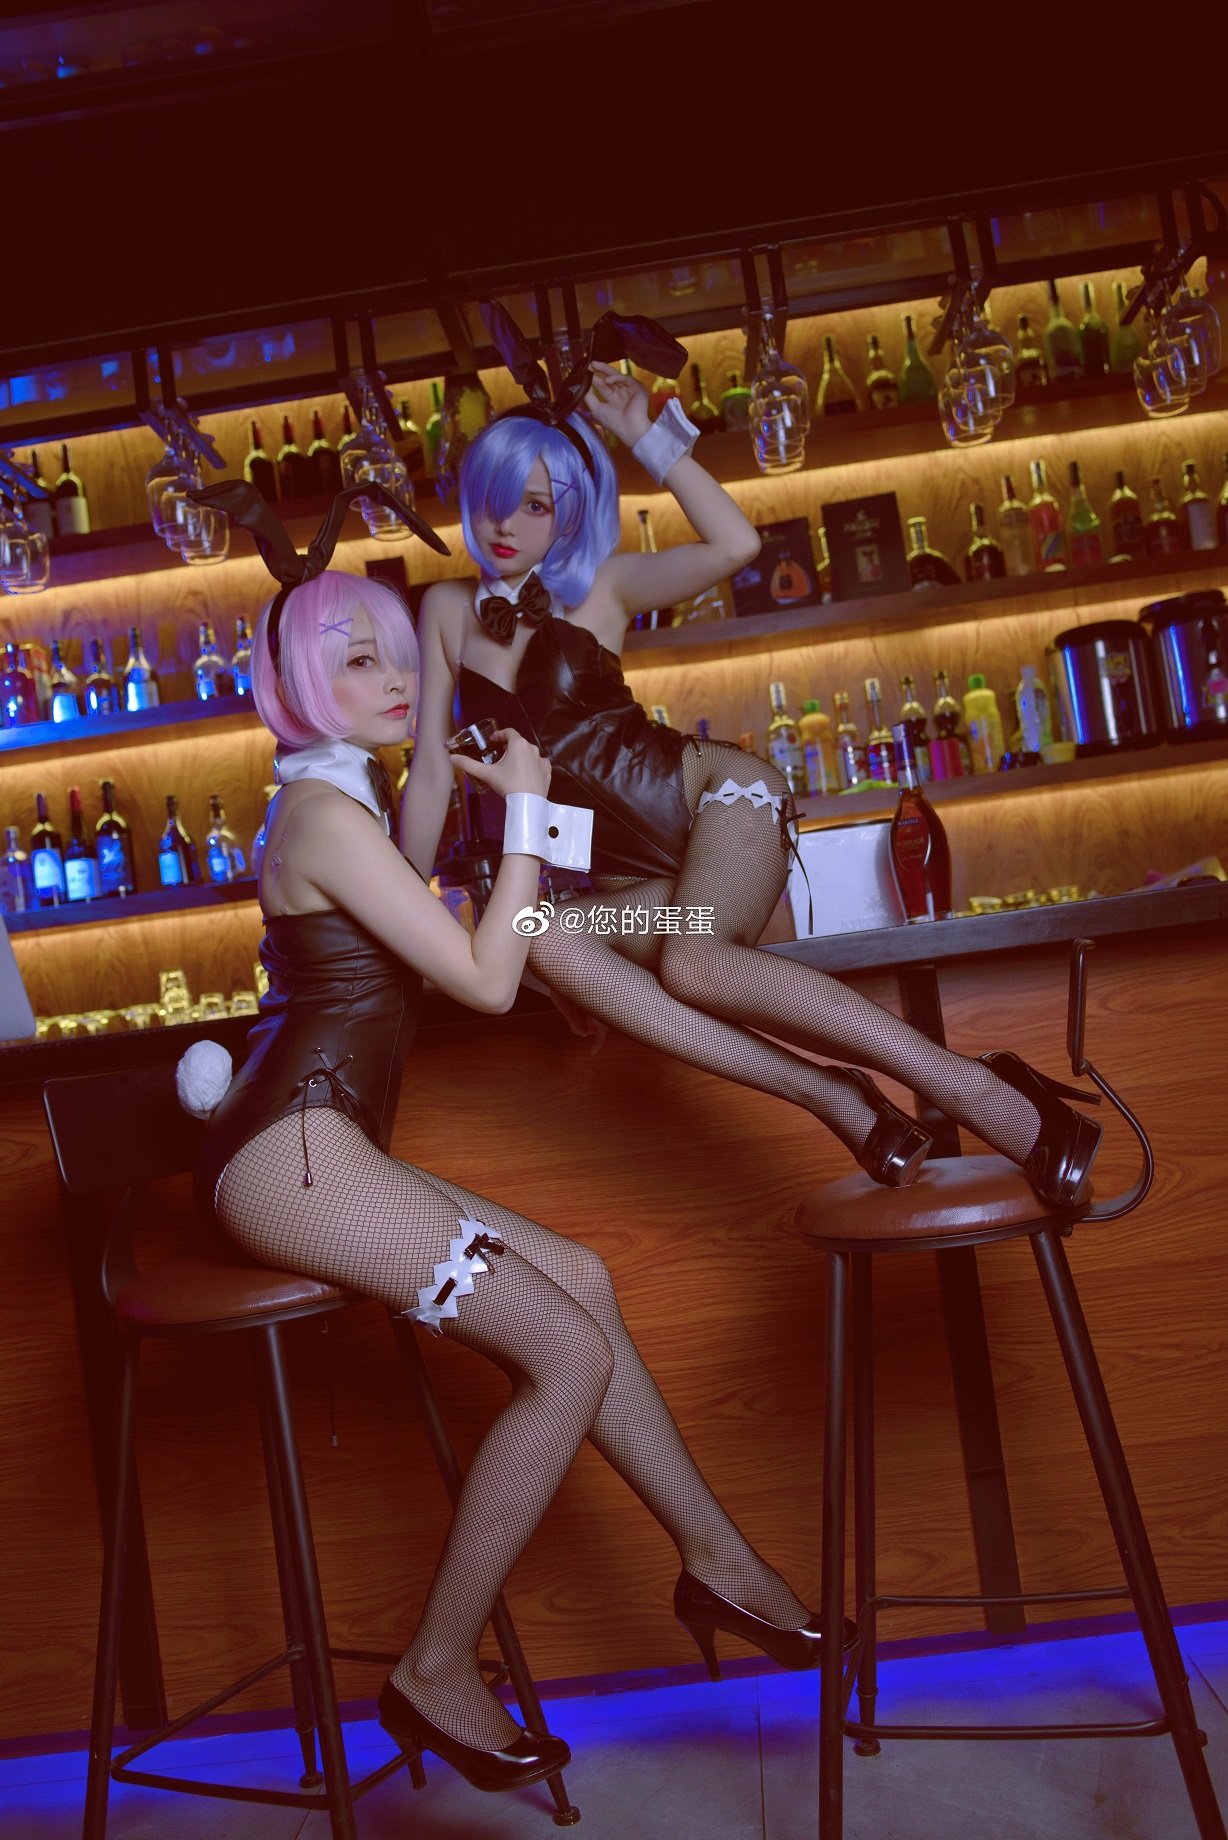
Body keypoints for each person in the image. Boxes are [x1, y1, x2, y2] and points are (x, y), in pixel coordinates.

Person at [191, 552, 834, 1801]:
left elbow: (448, 889)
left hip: (324, 1148)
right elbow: (488, 977)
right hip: (288, 1158)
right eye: (357, 660)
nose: (393, 677)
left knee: (582, 1281)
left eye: (397, 653)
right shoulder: (322, 816)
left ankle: (717, 1561)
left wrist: (481, 774)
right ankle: (435, 1666)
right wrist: (533, 808)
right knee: (567, 1353)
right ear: (297, 686)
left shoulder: (346, 804)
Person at [400, 318, 1103, 1212]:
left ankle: (986, 1093)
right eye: (495, 499)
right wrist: (397, 914)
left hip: (718, 802)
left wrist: (648, 433)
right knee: (547, 940)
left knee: (695, 966)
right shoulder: (444, 610)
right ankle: (835, 1096)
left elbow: (736, 546)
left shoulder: (602, 586)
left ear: (570, 511)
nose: (506, 524)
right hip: (635, 883)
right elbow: (431, 774)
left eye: (535, 504)